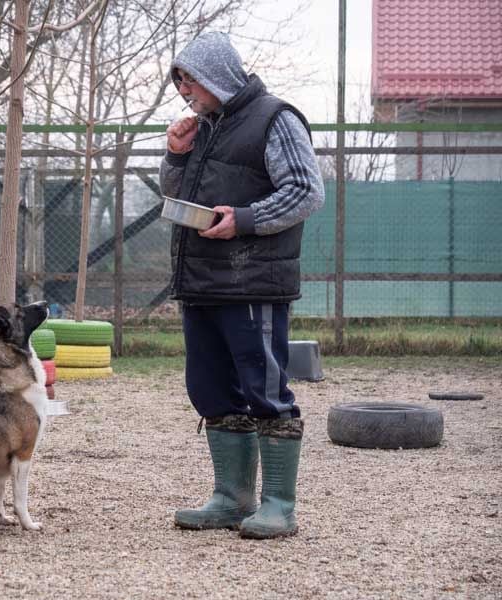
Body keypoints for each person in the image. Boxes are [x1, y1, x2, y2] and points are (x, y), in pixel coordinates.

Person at [160, 31, 324, 539]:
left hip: (253, 280)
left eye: (190, 82)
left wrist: (246, 219)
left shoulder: (275, 119)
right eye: (182, 84)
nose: (186, 93)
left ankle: (280, 505)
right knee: (208, 388)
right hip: (202, 281)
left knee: (266, 388)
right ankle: (231, 498)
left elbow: (305, 190)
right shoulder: (204, 127)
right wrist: (177, 155)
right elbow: (175, 192)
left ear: (215, 75)